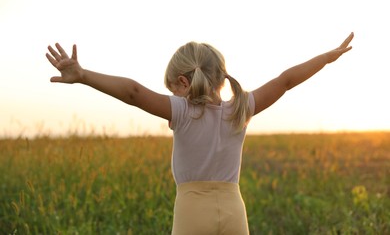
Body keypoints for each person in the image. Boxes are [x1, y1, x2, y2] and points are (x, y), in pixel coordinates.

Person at [46, 32, 354, 234]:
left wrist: (84, 75)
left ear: (182, 82)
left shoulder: (181, 111)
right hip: (234, 210)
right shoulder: (241, 108)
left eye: (173, 90)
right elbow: (285, 80)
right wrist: (325, 58)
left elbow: (132, 92)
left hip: (192, 209)